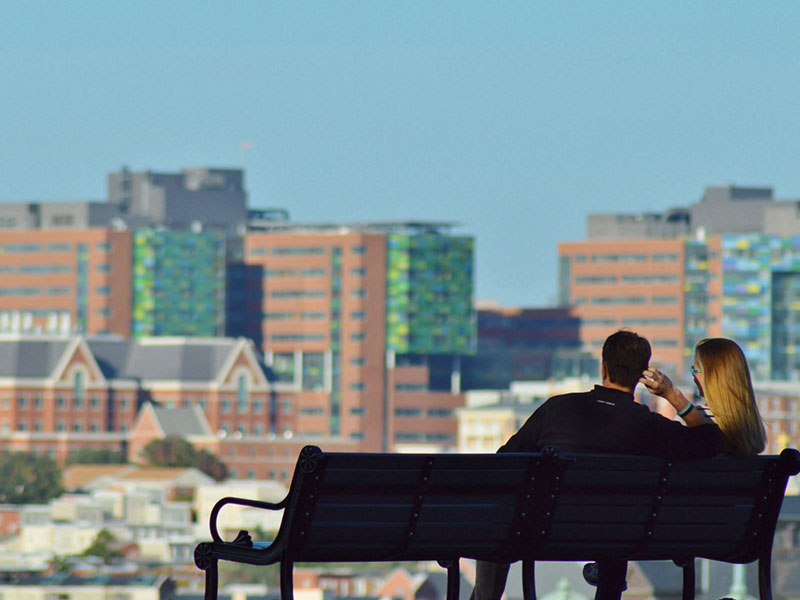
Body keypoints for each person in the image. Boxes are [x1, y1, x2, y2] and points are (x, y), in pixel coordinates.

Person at [469, 330, 723, 600]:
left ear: (603, 367)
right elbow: (710, 441)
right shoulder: (649, 427)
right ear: (641, 375)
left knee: (499, 518)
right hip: (617, 537)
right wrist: (672, 394)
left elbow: (504, 462)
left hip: (544, 532)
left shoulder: (556, 410)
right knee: (615, 525)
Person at [581, 337, 767, 594]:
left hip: (678, 534)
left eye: (696, 370)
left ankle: (608, 572)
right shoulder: (751, 435)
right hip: (736, 537)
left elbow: (706, 438)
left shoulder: (709, 429)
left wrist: (672, 395)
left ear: (713, 376)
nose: (693, 377)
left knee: (621, 518)